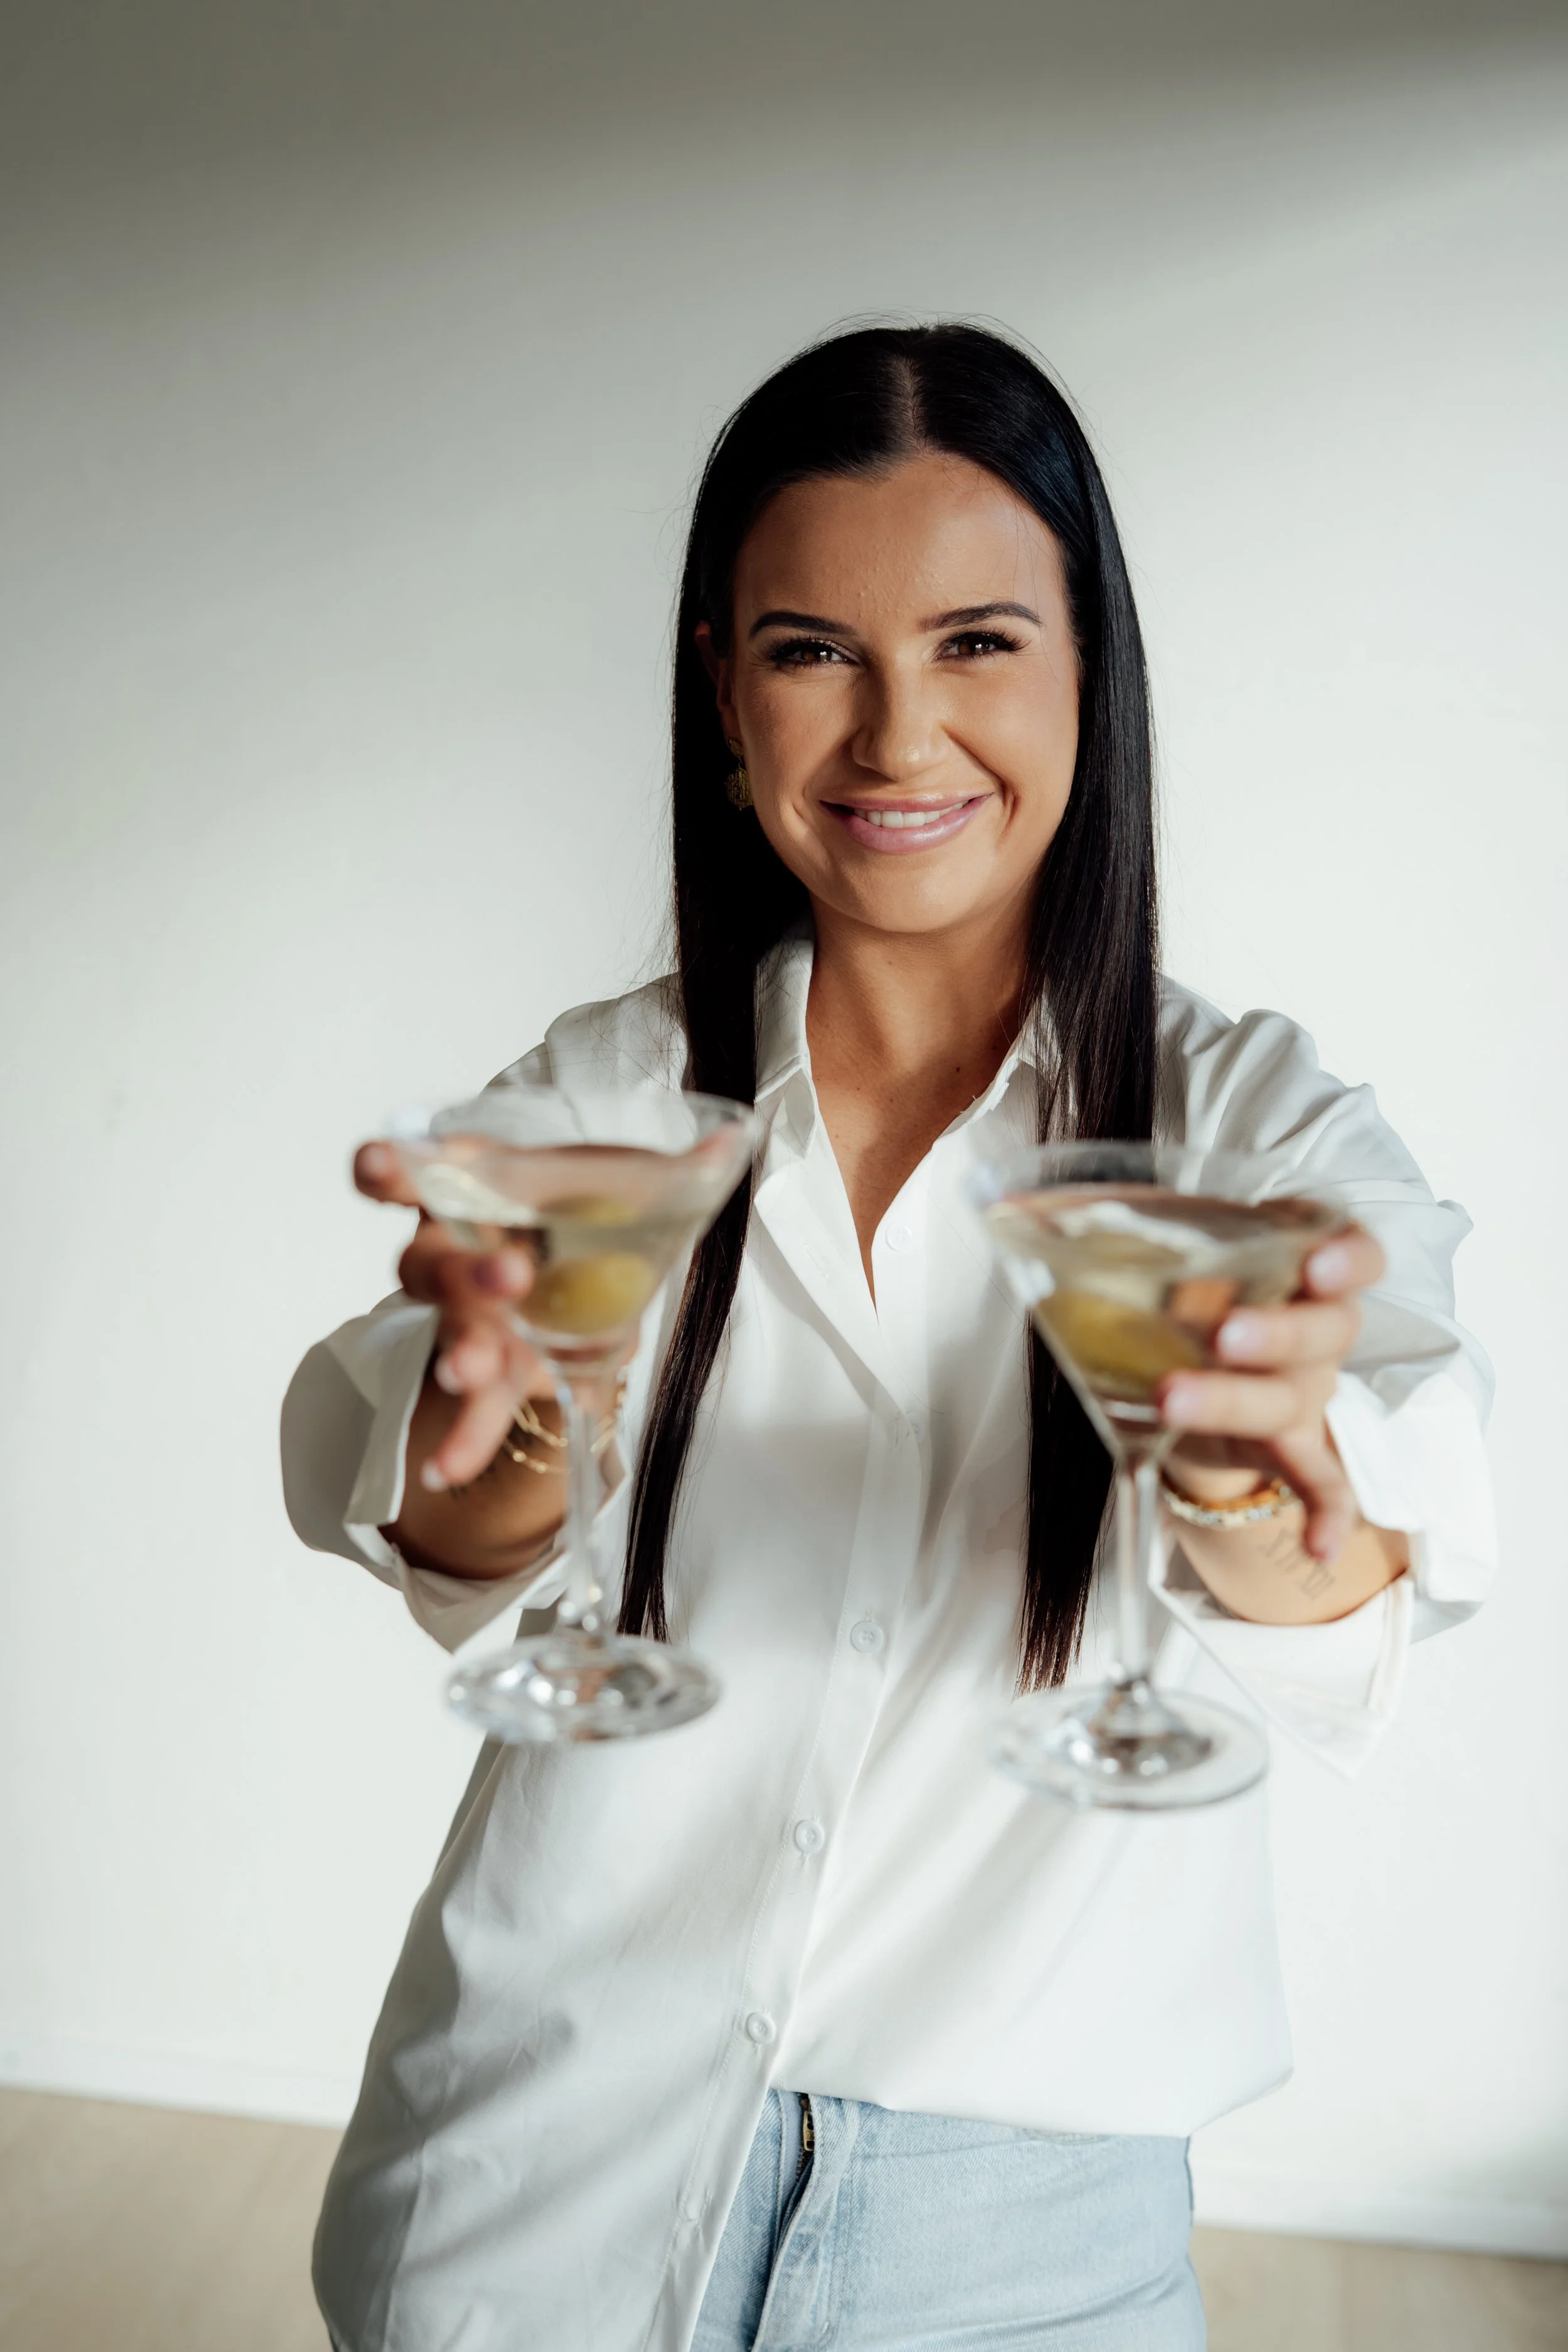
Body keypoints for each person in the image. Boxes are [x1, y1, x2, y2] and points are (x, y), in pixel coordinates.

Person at [282, 324, 1493, 2352]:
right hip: (534, 2172)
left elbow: (1364, 1539)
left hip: (1018, 2237)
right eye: (812, 651)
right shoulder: (602, 1098)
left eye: (978, 642)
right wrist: (511, 1434)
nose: (895, 737)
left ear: (1089, 669)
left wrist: (1227, 1457)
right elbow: (450, 1540)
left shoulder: (1258, 1129)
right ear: (721, 686)